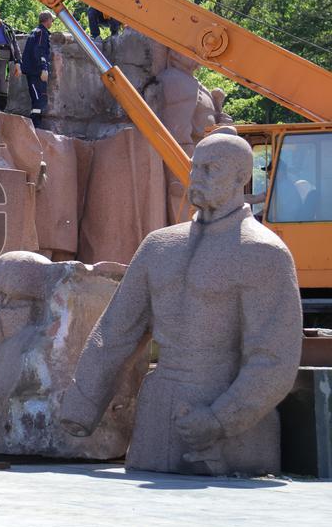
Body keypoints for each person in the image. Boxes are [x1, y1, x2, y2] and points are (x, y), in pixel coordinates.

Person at [61, 132, 302, 476]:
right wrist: (82, 404)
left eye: (211, 169)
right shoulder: (159, 247)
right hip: (157, 421)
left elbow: (274, 358)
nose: (196, 179)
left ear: (241, 177)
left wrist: (222, 418)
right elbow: (115, 332)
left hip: (230, 429)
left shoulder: (263, 253)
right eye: (195, 169)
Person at [21, 11, 54, 128]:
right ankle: (36, 125)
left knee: (39, 98)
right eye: (51, 20)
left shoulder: (36, 32)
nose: (52, 22)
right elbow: (39, 50)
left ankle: (36, 124)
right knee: (38, 98)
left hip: (33, 71)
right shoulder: (41, 33)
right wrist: (43, 68)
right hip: (35, 72)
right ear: (47, 20)